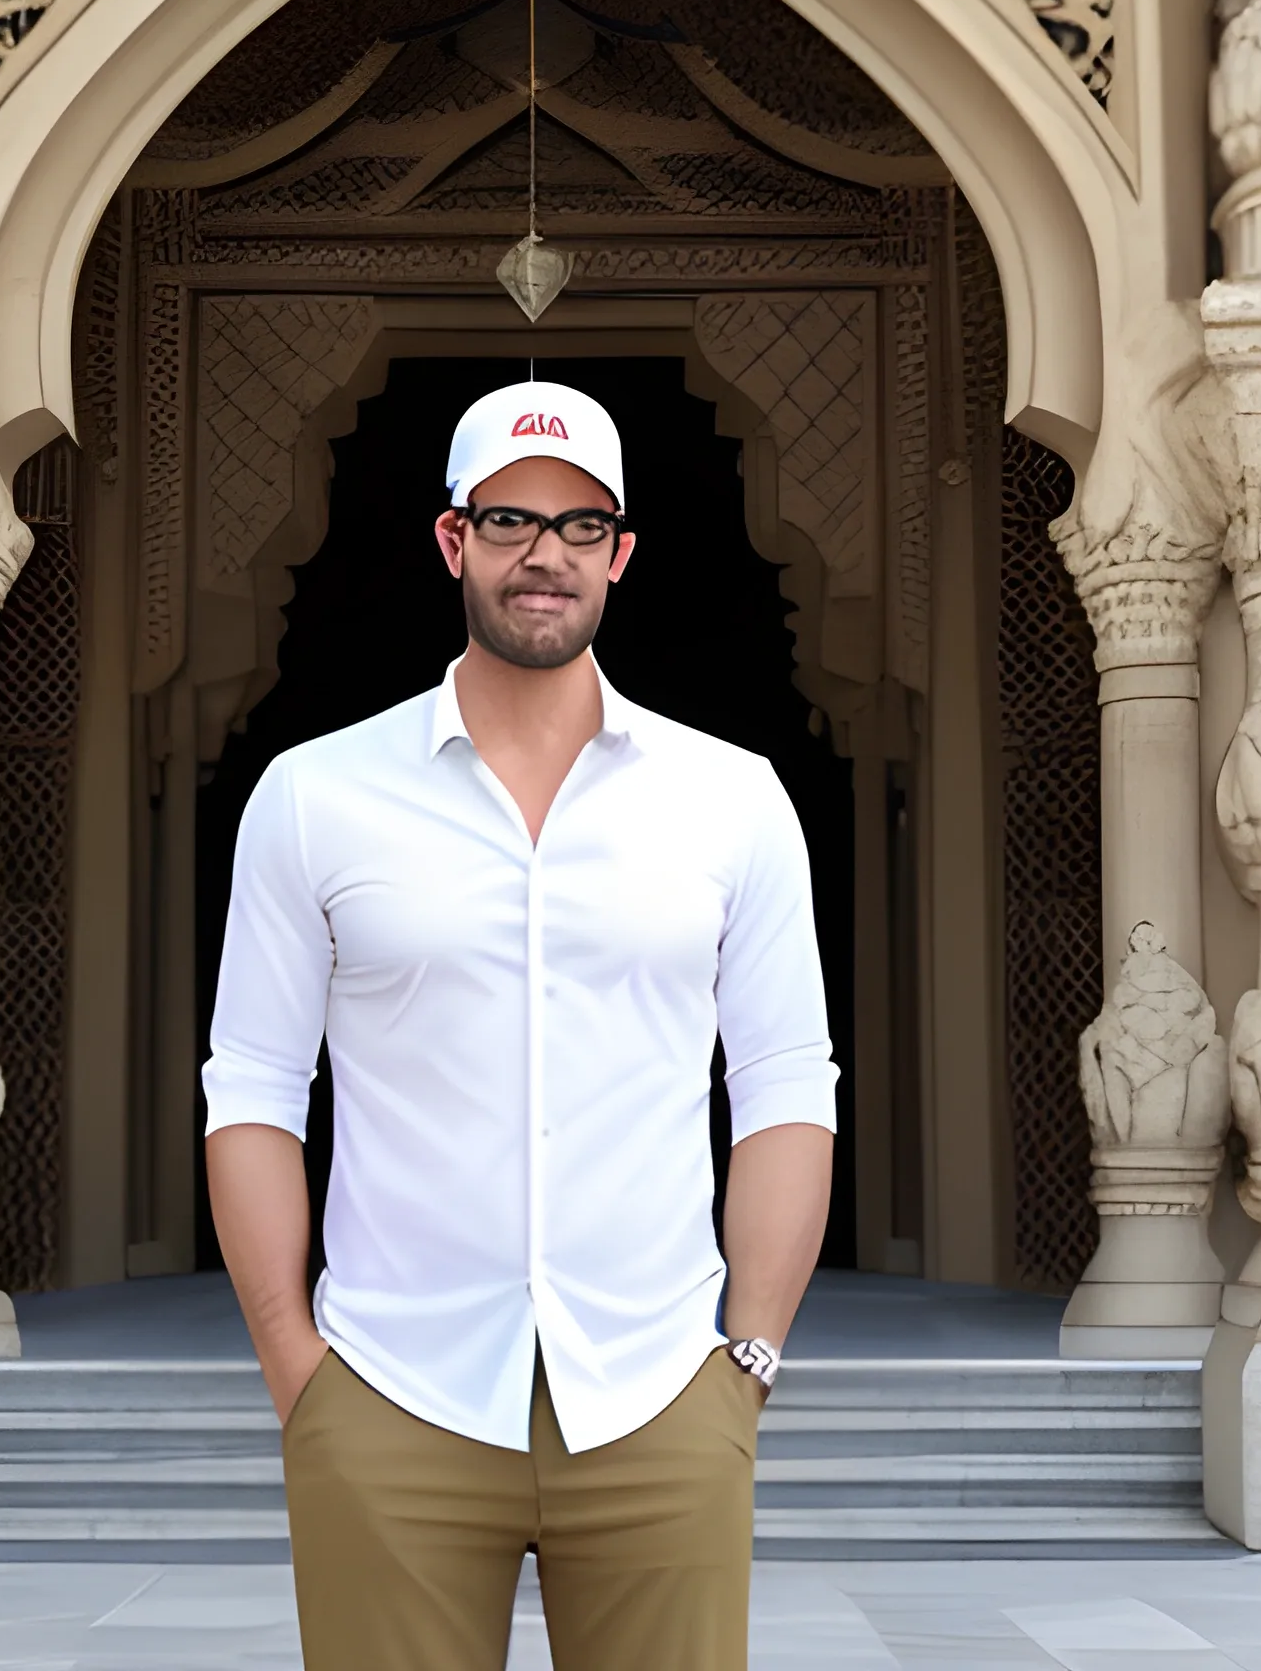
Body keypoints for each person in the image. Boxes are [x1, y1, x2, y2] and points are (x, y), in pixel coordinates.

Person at [203, 379, 837, 1671]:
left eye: (579, 525)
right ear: (454, 542)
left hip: (661, 1396)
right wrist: (297, 1372)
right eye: (508, 520)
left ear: (621, 554)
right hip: (392, 1396)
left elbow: (783, 1086)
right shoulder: (317, 798)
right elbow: (255, 1088)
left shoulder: (732, 802)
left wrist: (746, 1367)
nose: (545, 553)